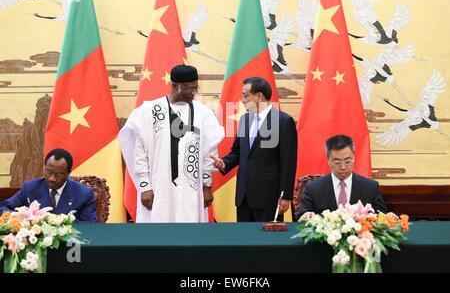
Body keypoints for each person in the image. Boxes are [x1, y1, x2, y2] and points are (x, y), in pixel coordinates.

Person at [119, 64, 224, 222]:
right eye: (189, 88)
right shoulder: (149, 111)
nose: (193, 93)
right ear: (174, 85)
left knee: (189, 238)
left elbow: (210, 152)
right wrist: (144, 186)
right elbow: (138, 153)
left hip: (192, 192)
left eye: (196, 88)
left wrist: (207, 185)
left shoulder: (203, 113)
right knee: (158, 239)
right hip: (158, 188)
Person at [211, 77, 297, 222]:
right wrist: (224, 163)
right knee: (245, 242)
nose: (242, 99)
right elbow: (238, 152)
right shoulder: (245, 119)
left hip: (268, 197)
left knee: (267, 243)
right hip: (243, 196)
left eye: (245, 95)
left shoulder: (283, 121)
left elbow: (288, 162)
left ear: (259, 96)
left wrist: (285, 196)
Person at [297, 134, 388, 220]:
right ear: (328, 160)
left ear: (354, 157)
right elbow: (302, 215)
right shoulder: (313, 188)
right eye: (337, 162)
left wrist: (387, 216)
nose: (343, 167)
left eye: (348, 161)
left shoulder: (370, 187)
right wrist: (306, 215)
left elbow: (382, 215)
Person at [0, 149, 97, 222]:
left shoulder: (84, 193)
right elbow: (3, 208)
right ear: (44, 167)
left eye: (59, 175)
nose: (52, 179)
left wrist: (61, 221)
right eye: (48, 172)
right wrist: (21, 216)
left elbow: (90, 226)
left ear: (68, 173)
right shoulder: (30, 187)